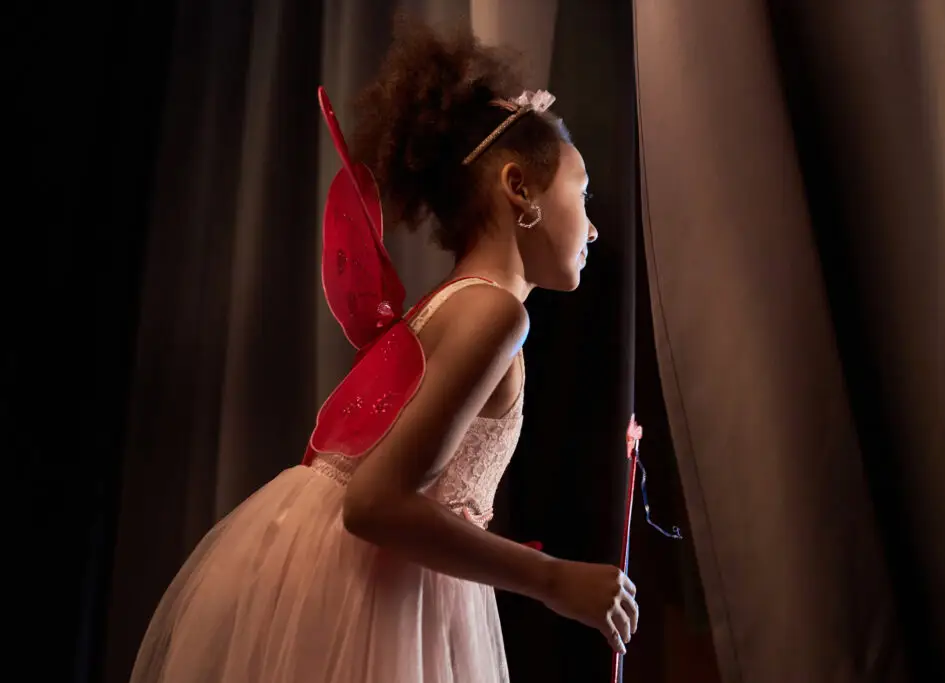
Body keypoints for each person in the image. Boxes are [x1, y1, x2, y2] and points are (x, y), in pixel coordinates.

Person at [130, 18, 637, 683]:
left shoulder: (443, 305)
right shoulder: (496, 314)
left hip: (328, 575)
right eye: (582, 191)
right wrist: (553, 578)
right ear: (519, 188)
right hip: (374, 595)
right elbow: (374, 502)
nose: (593, 227)